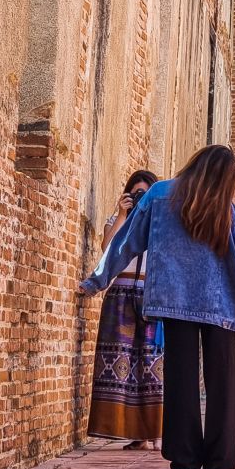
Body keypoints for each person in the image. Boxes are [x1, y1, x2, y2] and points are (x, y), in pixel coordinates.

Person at [80, 145, 235, 469]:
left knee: (180, 380)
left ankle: (185, 456)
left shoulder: (160, 195)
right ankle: (221, 458)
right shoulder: (225, 208)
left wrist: (96, 280)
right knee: (222, 384)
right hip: (220, 305)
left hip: (174, 302)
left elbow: (126, 243)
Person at [87, 169, 163, 451]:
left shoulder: (161, 223)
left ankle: (157, 433)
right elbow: (108, 251)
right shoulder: (117, 220)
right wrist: (122, 215)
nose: (140, 197)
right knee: (120, 366)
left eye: (145, 193)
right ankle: (134, 433)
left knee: (153, 367)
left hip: (151, 297)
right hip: (119, 295)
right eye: (136, 192)